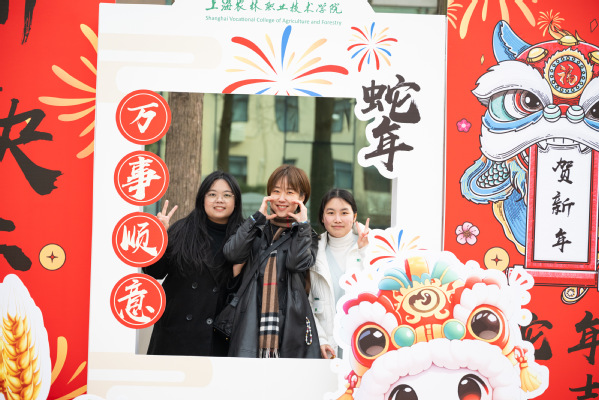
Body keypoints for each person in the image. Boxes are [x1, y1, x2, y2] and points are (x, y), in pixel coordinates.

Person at [223, 164, 320, 358]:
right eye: (276, 191)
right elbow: (232, 254)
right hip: (250, 320)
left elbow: (295, 263)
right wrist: (256, 219)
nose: (281, 198)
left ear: (302, 197)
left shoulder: (307, 234)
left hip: (291, 324)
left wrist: (302, 226)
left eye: (289, 192)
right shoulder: (256, 228)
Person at [144, 171, 244, 356]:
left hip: (218, 337)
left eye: (226, 195)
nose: (219, 200)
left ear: (236, 201)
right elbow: (155, 272)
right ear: (202, 199)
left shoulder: (244, 237)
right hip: (175, 334)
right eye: (212, 194)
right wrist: (158, 238)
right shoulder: (182, 230)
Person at [309, 188, 370, 359]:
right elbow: (307, 302)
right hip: (326, 348)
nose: (337, 219)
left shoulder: (370, 248)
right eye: (331, 213)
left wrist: (365, 250)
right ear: (322, 217)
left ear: (354, 216)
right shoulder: (312, 250)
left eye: (344, 213)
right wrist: (321, 340)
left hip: (362, 345)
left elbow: (378, 292)